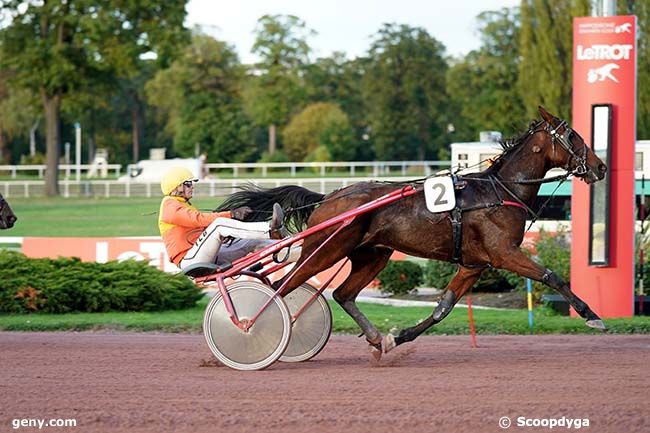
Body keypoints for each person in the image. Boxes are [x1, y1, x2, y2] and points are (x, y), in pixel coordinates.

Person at [158, 167, 287, 270]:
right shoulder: (169, 204)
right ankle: (270, 228)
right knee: (219, 225)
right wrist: (232, 214)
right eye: (188, 184)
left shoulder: (183, 205)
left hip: (207, 255)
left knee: (252, 241)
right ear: (177, 187)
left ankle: (290, 246)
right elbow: (198, 219)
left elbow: (201, 228)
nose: (192, 186)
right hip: (190, 260)